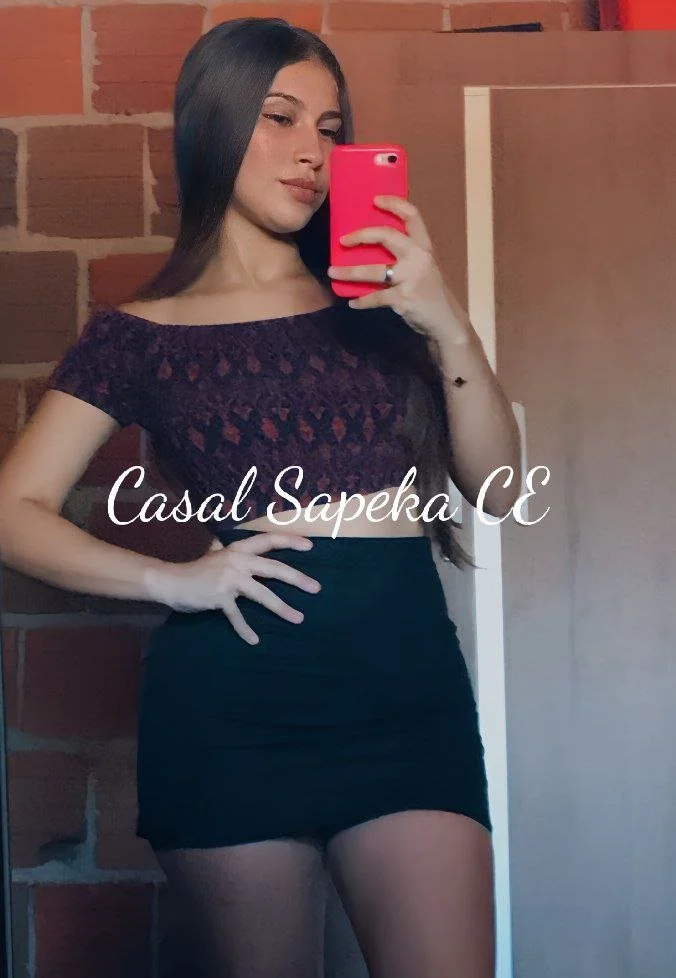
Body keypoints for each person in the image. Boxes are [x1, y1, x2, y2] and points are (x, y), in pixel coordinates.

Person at [0, 17, 521, 978]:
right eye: (279, 118)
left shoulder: (383, 304)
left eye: (330, 128)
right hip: (234, 711)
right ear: (214, 122)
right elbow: (12, 509)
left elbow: (496, 485)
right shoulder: (137, 336)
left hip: (406, 693)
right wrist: (171, 582)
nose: (311, 151)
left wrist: (447, 322)